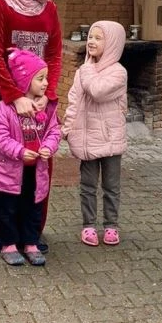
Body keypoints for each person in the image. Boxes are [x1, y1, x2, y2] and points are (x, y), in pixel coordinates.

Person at [0, 0, 65, 254]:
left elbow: (54, 54)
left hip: (39, 100)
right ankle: (5, 230)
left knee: (38, 161)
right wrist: (14, 97)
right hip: (4, 97)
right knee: (6, 159)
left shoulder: (49, 9)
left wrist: (47, 94)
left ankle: (31, 230)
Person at [0, 49, 61, 266]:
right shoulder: (4, 109)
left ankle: (31, 242)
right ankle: (8, 244)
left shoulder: (48, 107)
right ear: (24, 79)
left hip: (36, 170)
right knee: (6, 208)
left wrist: (48, 147)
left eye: (45, 78)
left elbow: (54, 131)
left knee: (32, 205)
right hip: (8, 171)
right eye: (40, 78)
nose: (45, 83)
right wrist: (19, 151)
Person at [62, 20, 128, 246]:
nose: (91, 41)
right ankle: (88, 225)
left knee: (111, 186)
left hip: (110, 140)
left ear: (112, 44)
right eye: (90, 36)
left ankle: (111, 226)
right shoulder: (83, 71)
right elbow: (74, 101)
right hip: (87, 139)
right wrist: (68, 128)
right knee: (88, 186)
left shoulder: (119, 73)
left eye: (99, 38)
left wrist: (87, 69)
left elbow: (97, 91)